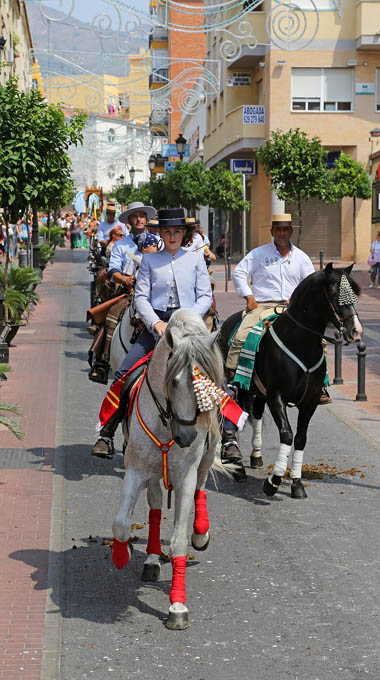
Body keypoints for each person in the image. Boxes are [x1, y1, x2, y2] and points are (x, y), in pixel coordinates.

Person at [91, 207, 213, 457]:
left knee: (213, 375)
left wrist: (188, 318)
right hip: (154, 326)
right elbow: (141, 298)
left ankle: (223, 435)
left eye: (176, 231)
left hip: (187, 326)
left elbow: (205, 296)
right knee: (124, 372)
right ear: (160, 232)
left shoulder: (195, 258)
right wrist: (155, 323)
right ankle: (107, 432)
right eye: (166, 231)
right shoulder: (148, 260)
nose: (171, 236)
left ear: (184, 233)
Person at [223, 214, 321, 465]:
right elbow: (239, 273)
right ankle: (235, 377)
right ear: (272, 231)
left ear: (291, 231)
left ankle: (320, 387)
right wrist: (248, 295)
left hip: (292, 309)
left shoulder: (302, 258)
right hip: (262, 306)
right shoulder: (258, 254)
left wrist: (301, 303)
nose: (282, 233)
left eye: (286, 229)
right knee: (243, 335)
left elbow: (311, 284)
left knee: (317, 342)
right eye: (278, 229)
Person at [88, 201, 156, 384]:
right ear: (130, 220)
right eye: (135, 216)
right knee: (112, 315)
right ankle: (103, 361)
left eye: (142, 216)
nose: (139, 219)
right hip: (128, 291)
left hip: (155, 292)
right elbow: (113, 270)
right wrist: (125, 279)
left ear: (146, 219)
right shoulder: (121, 245)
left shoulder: (157, 242)